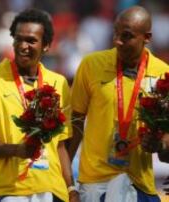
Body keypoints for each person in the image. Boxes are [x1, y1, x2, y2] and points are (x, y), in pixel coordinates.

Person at [0, 8, 79, 202]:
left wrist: (70, 188)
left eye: (31, 41)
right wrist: (16, 150)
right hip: (9, 190)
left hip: (52, 191)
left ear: (46, 46)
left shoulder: (58, 83)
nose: (22, 46)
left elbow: (60, 145)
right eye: (18, 39)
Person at [67, 6, 169, 202]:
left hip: (140, 183)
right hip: (96, 184)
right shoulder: (91, 65)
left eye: (126, 36)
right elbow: (76, 124)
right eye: (115, 33)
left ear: (147, 38)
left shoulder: (163, 74)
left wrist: (160, 144)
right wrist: (67, 183)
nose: (117, 41)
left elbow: (166, 137)